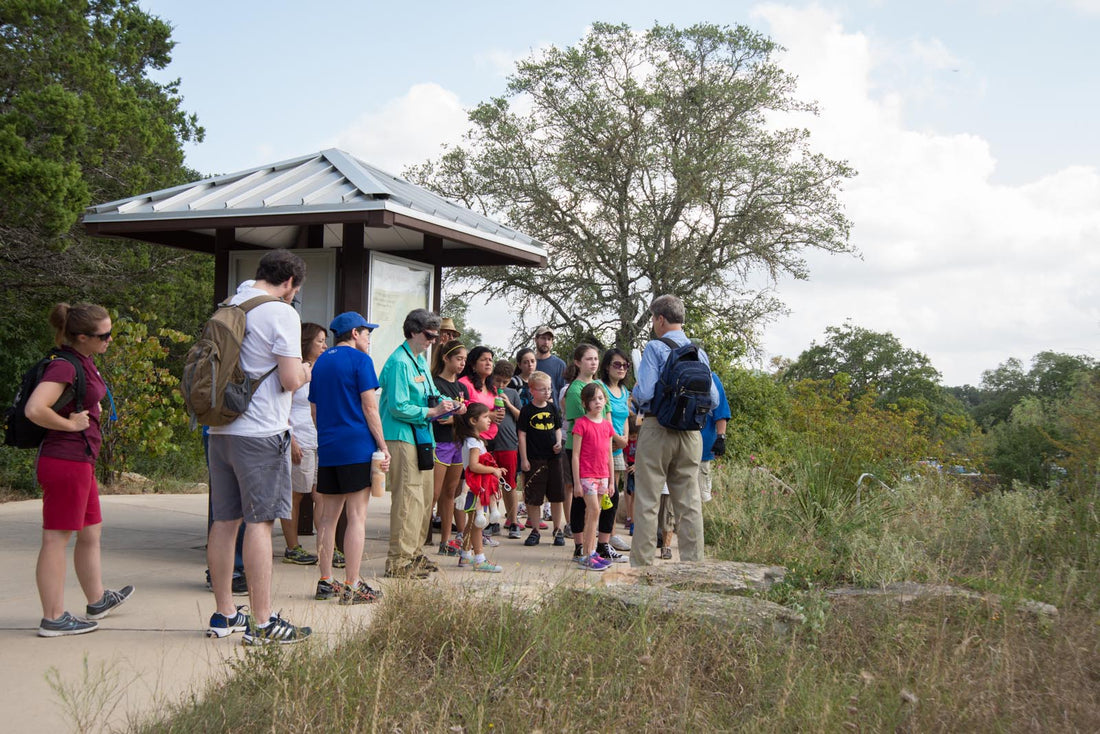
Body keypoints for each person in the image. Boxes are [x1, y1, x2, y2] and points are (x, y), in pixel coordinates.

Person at [206, 249, 312, 644]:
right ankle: (263, 622)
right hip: (261, 431)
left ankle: (224, 614)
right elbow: (288, 379)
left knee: (224, 521)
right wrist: (303, 370)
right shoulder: (280, 312)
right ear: (289, 283)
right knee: (260, 523)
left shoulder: (231, 304)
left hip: (221, 431)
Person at [27, 302, 134, 637]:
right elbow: (34, 409)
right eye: (104, 335)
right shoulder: (64, 367)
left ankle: (97, 598)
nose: (110, 340)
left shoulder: (84, 361)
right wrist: (69, 425)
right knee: (56, 538)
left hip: (80, 461)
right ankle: (53, 618)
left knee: (91, 531)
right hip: (65, 461)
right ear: (82, 337)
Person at [630, 294, 718, 567]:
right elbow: (713, 399)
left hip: (658, 428)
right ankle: (694, 565)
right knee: (689, 502)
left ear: (660, 319)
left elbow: (644, 392)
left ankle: (642, 568)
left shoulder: (655, 347)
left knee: (647, 500)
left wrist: (634, 396)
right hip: (691, 434)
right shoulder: (698, 352)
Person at [309, 312, 389, 604]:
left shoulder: (321, 363)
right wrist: (382, 445)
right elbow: (370, 408)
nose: (369, 338)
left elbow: (315, 410)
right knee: (356, 517)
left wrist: (329, 437)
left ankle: (326, 580)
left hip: (329, 447)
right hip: (357, 446)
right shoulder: (361, 361)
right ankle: (353, 584)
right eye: (367, 332)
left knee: (328, 519)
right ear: (354, 333)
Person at [380, 309, 455, 579]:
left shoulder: (420, 360)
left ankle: (413, 554)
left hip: (422, 436)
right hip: (402, 435)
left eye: (436, 336)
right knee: (407, 499)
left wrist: (448, 406)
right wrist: (432, 413)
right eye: (429, 335)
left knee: (424, 499)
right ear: (413, 331)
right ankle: (398, 561)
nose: (433, 340)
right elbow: (399, 406)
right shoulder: (400, 362)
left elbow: (431, 394)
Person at [280, 322, 326, 567]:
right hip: (299, 439)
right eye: (319, 341)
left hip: (319, 440)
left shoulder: (322, 369)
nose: (324, 345)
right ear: (307, 342)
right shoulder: (295, 370)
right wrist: (292, 440)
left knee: (322, 495)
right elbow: (283, 406)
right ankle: (292, 546)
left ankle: (325, 546)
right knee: (296, 495)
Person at [563, 343, 613, 556]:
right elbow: (579, 425)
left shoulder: (600, 384)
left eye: (595, 358)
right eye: (588, 359)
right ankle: (582, 549)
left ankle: (596, 548)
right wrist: (577, 481)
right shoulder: (575, 390)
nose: (593, 362)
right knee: (584, 505)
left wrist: (614, 437)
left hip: (602, 459)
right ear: (577, 362)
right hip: (582, 456)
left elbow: (606, 417)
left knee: (600, 508)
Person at [458, 345, 503, 542]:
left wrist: (498, 414)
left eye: (491, 360)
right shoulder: (465, 383)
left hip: (488, 438)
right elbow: (464, 410)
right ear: (473, 364)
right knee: (470, 485)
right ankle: (465, 533)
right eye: (484, 359)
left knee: (485, 485)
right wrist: (490, 415)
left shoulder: (492, 387)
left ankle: (480, 531)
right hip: (471, 440)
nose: (488, 363)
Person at [453, 403, 504, 572]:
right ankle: (479, 559)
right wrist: (493, 470)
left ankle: (466, 554)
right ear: (473, 421)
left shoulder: (473, 441)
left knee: (471, 522)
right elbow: (474, 466)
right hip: (475, 487)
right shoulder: (474, 442)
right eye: (485, 417)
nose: (489, 420)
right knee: (477, 524)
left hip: (473, 486)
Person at [570, 383, 615, 571]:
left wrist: (612, 481)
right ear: (585, 403)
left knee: (594, 514)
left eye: (600, 398)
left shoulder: (607, 426)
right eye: (593, 399)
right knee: (594, 511)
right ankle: (587, 554)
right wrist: (576, 482)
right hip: (587, 475)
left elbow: (610, 455)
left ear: (605, 400)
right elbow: (575, 455)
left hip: (603, 475)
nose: (597, 402)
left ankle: (592, 552)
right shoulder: (581, 424)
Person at [517, 371, 566, 546]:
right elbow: (521, 435)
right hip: (534, 457)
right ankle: (535, 530)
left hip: (554, 458)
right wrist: (524, 459)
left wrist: (559, 442)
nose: (547, 392)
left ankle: (557, 529)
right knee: (534, 496)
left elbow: (558, 428)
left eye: (549, 389)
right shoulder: (527, 411)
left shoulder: (553, 407)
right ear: (532, 390)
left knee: (557, 495)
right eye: (542, 389)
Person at [430, 340, 469, 557]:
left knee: (450, 492)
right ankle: (419, 538)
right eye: (459, 359)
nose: (462, 363)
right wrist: (454, 414)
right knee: (433, 493)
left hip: (457, 443)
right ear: (446, 358)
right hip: (439, 442)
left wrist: (456, 419)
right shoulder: (435, 383)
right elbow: (435, 411)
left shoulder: (462, 387)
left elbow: (469, 416)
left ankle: (445, 541)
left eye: (464, 359)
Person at [598, 348, 633, 558]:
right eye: (616, 364)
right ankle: (601, 534)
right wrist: (614, 438)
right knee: (601, 491)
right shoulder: (600, 387)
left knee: (613, 491)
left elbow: (626, 418)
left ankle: (610, 534)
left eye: (625, 365)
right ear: (607, 366)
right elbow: (600, 414)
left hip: (618, 447)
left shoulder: (624, 391)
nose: (621, 369)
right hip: (603, 445)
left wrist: (624, 439)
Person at [489, 360, 522, 538]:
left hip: (509, 443)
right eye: (498, 380)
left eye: (505, 382)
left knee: (510, 484)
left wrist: (508, 404)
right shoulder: (486, 391)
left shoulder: (512, 394)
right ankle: (493, 521)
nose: (501, 385)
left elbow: (521, 417)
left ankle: (513, 521)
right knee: (491, 484)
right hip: (490, 443)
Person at [698, 373, 732, 504]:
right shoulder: (709, 376)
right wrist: (720, 437)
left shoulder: (710, 377)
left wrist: (720, 438)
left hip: (701, 449)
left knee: (700, 496)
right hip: (696, 448)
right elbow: (721, 410)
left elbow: (720, 409)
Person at [533, 326, 566, 404]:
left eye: (549, 339)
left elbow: (564, 392)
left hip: (553, 412)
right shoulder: (529, 363)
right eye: (543, 338)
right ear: (536, 340)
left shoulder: (560, 364)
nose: (546, 342)